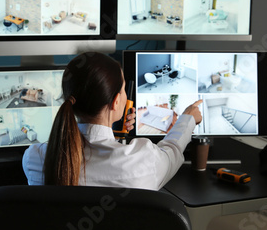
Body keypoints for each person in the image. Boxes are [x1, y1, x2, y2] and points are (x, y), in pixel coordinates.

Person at [22, 52, 202, 190]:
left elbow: (91, 146)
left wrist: (112, 131)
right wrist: (188, 118)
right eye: (123, 90)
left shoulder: (34, 158)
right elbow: (172, 151)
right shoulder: (143, 160)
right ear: (116, 102)